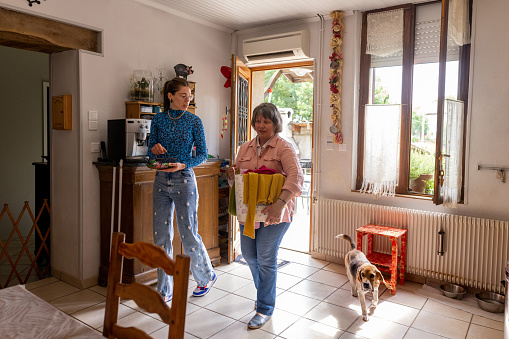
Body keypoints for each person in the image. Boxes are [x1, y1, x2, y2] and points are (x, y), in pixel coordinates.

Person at [227, 102, 304, 329]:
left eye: (266, 121)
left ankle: (264, 308)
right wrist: (232, 174)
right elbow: (238, 181)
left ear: (275, 124)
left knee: (266, 259)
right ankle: (264, 295)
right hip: (249, 213)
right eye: (258, 121)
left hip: (275, 212)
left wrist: (280, 204)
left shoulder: (284, 147)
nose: (261, 125)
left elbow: (296, 178)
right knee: (251, 257)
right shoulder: (245, 147)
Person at [148, 77, 216, 302]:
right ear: (170, 96)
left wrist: (183, 164)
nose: (188, 100)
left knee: (188, 233)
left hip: (184, 179)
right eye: (183, 95)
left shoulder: (194, 121)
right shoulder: (157, 120)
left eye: (190, 96)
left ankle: (205, 277)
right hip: (160, 180)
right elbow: (151, 150)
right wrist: (154, 149)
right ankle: (164, 288)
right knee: (161, 236)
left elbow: (203, 154)